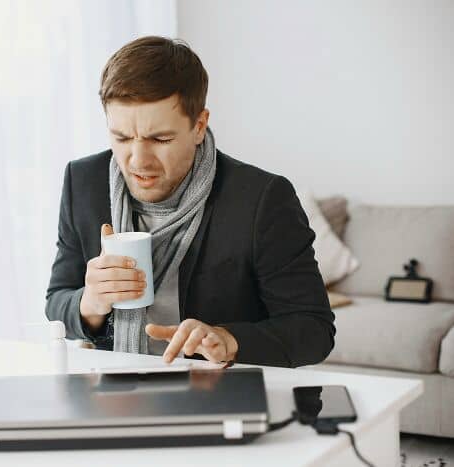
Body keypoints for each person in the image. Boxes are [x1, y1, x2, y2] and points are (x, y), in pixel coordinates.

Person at [45, 36, 335, 367]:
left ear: (199, 126)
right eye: (121, 137)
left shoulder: (262, 199)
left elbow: (314, 329)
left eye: (160, 139)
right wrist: (90, 303)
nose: (138, 161)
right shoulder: (83, 182)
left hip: (216, 387)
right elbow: (57, 302)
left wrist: (229, 340)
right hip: (112, 384)